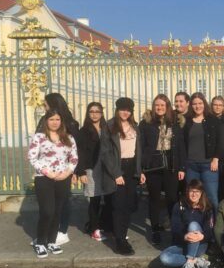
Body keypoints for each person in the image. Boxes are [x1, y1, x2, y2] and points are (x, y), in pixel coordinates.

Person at [27, 109, 79, 258]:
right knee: (47, 211)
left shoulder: (68, 138)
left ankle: (51, 241)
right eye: (51, 119)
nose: (55, 122)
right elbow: (32, 157)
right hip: (44, 178)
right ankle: (40, 242)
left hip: (63, 178)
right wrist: (46, 172)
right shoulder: (39, 137)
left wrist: (67, 172)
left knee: (57, 211)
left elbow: (74, 157)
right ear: (46, 121)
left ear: (61, 121)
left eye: (57, 119)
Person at [100, 98, 145, 255]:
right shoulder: (109, 126)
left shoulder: (135, 126)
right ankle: (119, 241)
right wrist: (116, 173)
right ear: (117, 110)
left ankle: (122, 234)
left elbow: (138, 150)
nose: (125, 112)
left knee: (128, 205)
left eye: (128, 109)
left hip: (132, 167)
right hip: (117, 168)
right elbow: (105, 153)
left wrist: (140, 171)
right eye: (122, 109)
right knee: (118, 205)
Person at [139, 94, 186, 245]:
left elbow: (180, 146)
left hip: (171, 166)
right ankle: (155, 229)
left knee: (172, 198)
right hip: (153, 166)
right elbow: (141, 146)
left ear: (167, 107)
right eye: (157, 105)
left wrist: (182, 167)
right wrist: (142, 168)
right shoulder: (146, 123)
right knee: (154, 199)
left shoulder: (175, 123)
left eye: (162, 105)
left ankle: (174, 228)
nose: (159, 108)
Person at [37, 93, 80, 246]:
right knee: (48, 204)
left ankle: (62, 230)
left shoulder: (71, 123)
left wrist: (73, 171)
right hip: (47, 168)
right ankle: (47, 234)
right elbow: (38, 142)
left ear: (53, 104)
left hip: (64, 169)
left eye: (46, 104)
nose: (44, 106)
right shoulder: (44, 120)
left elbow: (75, 149)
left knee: (63, 201)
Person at [159, 179, 215, 268]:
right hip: (182, 243)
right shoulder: (179, 206)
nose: (194, 194)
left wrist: (202, 236)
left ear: (201, 193)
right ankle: (195, 260)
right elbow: (175, 229)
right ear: (187, 192)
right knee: (164, 258)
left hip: (200, 244)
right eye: (191, 191)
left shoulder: (207, 208)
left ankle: (189, 263)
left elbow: (210, 231)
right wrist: (184, 236)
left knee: (193, 225)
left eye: (197, 191)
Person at [183, 92, 224, 211]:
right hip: (191, 166)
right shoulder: (187, 121)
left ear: (204, 104)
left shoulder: (213, 120)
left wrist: (216, 159)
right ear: (191, 105)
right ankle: (193, 224)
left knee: (212, 197)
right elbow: (182, 142)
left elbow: (221, 141)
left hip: (208, 165)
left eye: (200, 103)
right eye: (194, 104)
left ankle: (215, 226)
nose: (197, 106)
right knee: (192, 198)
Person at [75, 102, 109, 241]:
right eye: (92, 111)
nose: (94, 114)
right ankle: (94, 229)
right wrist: (81, 172)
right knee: (94, 199)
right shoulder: (84, 131)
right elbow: (80, 152)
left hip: (106, 169)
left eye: (97, 111)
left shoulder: (107, 128)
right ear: (88, 114)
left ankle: (103, 225)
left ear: (101, 113)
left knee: (107, 199)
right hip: (90, 168)